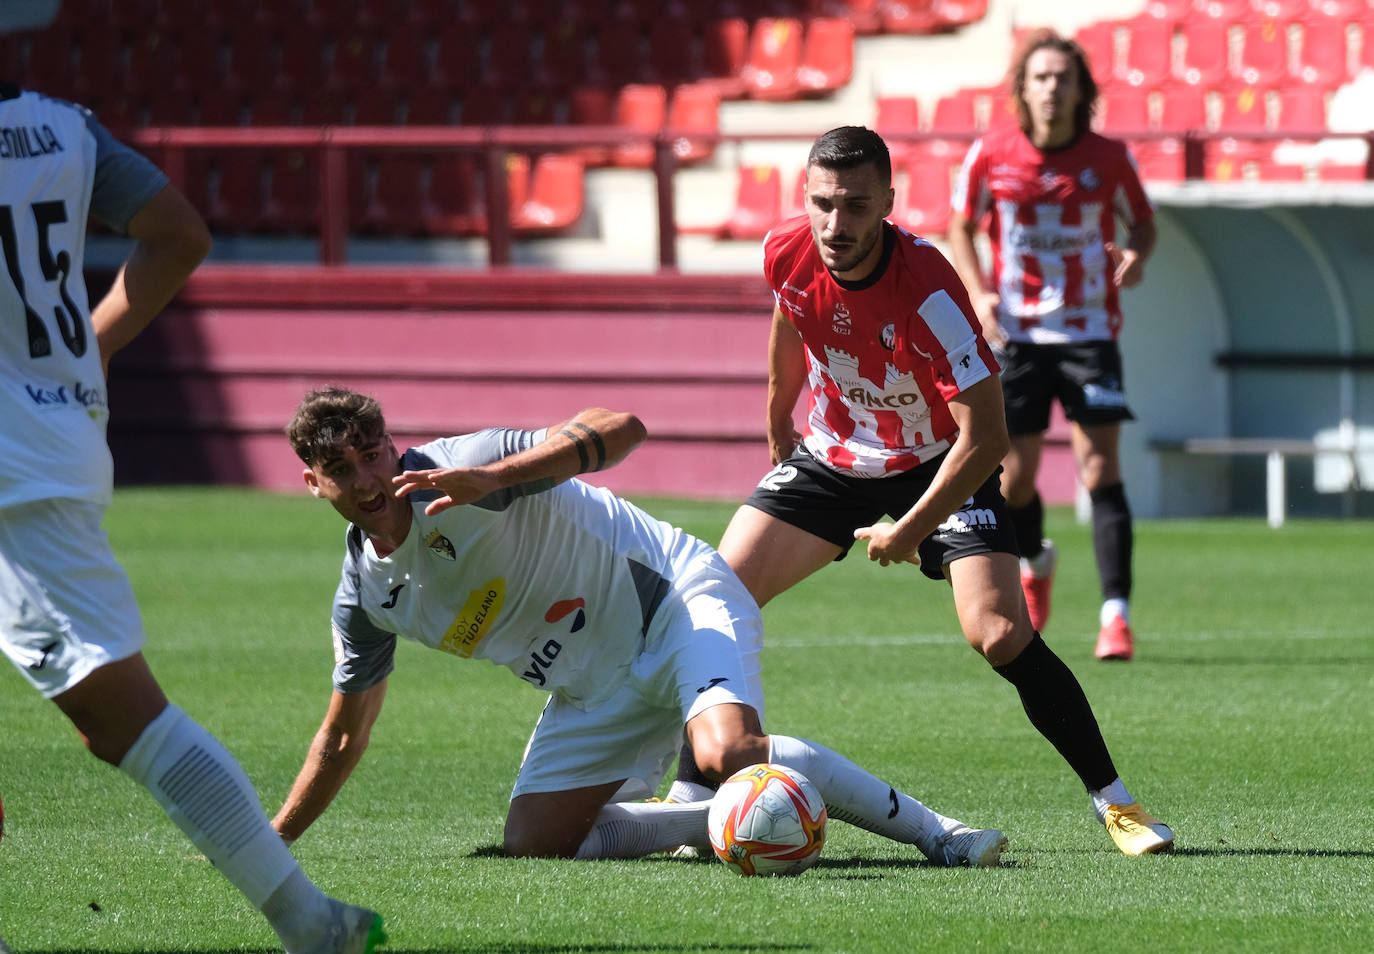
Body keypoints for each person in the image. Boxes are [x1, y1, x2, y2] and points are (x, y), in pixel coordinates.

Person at [667, 124, 1172, 856]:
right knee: (716, 593)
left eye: (856, 207)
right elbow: (791, 312)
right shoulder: (787, 246)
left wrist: (910, 531)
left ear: (889, 204)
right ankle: (689, 797)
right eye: (823, 204)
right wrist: (780, 411)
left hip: (939, 461)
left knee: (998, 633)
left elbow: (987, 439)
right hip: (836, 454)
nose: (836, 225)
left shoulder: (930, 288)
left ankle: (1116, 804)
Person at [273, 385, 1009, 869]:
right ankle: (711, 819)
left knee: (732, 752)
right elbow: (343, 736)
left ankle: (939, 834)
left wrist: (496, 480)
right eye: (341, 470)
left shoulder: (462, 467)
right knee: (536, 844)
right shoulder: (366, 597)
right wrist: (271, 843)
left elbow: (621, 428)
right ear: (313, 484)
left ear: (389, 442)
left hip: (675, 602)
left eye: (372, 455)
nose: (368, 481)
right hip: (592, 689)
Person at [0, 84, 383, 954]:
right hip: (43, 438)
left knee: (121, 716)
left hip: (13, 468)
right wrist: (81, 351)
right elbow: (179, 235)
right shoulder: (58, 126)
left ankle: (310, 923)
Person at [947, 29, 1157, 661]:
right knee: (1014, 479)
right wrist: (978, 294)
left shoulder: (1109, 156)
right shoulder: (991, 153)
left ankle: (1115, 614)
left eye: (1063, 78)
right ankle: (1037, 560)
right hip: (1018, 336)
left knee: (1100, 470)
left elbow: (1143, 221)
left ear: (1080, 90)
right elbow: (958, 222)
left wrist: (1136, 256)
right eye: (1040, 77)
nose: (1051, 88)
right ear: (1023, 89)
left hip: (1090, 332)